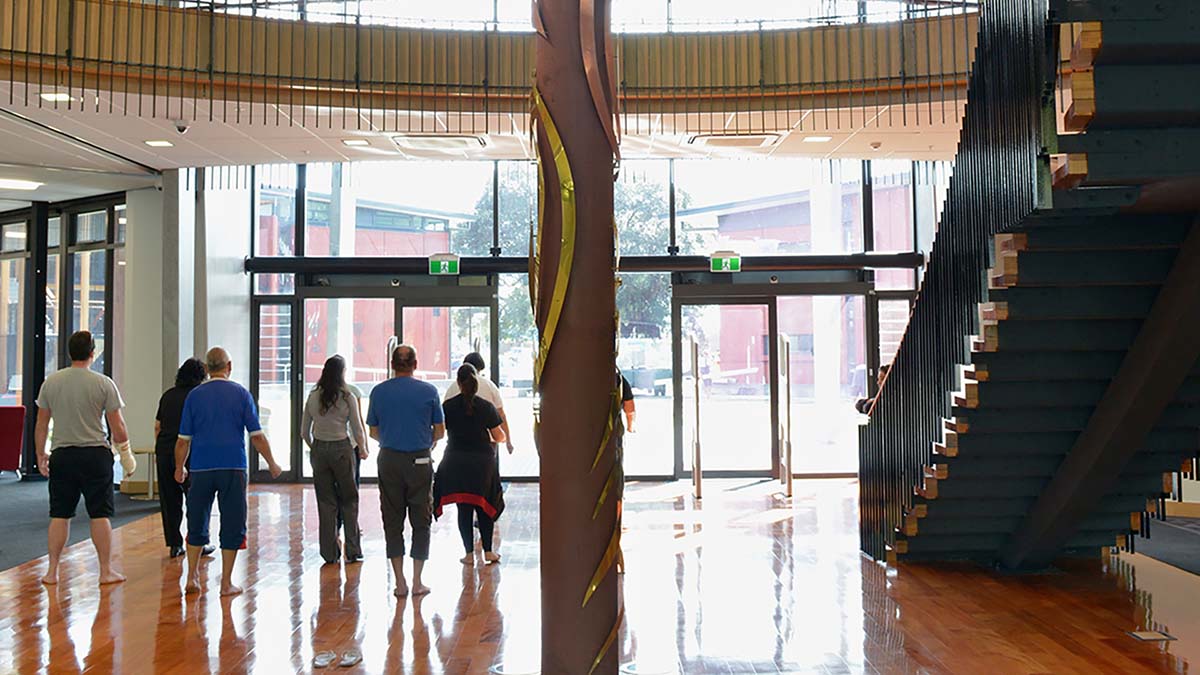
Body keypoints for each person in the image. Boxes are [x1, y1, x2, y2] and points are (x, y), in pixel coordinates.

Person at [175, 347, 282, 596]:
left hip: (201, 468)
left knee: (196, 520)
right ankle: (226, 583)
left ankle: (191, 578)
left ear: (207, 368)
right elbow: (257, 437)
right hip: (233, 467)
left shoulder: (194, 396)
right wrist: (272, 463)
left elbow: (183, 441)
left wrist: (179, 467)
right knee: (233, 523)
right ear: (229, 366)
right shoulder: (241, 394)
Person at [35, 330, 134, 586]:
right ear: (93, 353)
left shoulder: (51, 382)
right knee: (99, 514)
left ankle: (52, 571)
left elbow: (41, 424)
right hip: (95, 455)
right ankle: (105, 571)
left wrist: (40, 453)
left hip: (63, 455)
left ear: (70, 353)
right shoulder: (103, 383)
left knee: (60, 514)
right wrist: (127, 456)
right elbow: (118, 425)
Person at [367, 345, 444, 597]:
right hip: (420, 460)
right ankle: (418, 580)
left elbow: (373, 431)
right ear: (415, 363)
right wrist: (426, 442)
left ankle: (399, 581)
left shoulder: (378, 392)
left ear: (392, 364)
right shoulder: (429, 391)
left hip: (388, 459)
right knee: (421, 519)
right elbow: (440, 431)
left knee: (392, 518)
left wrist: (391, 441)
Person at [434, 364, 507, 566]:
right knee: (485, 506)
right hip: (482, 463)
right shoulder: (485, 406)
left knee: (463, 508)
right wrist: (501, 440)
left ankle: (468, 553)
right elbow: (498, 435)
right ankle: (489, 551)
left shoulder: (448, 406)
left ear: (458, 383)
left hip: (455, 461)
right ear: (476, 381)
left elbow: (438, 433)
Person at [302, 355, 369, 565]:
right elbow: (357, 428)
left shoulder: (313, 396)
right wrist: (363, 449)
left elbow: (304, 431)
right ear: (342, 372)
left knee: (326, 502)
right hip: (342, 448)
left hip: (320, 449)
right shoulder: (346, 395)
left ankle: (329, 553)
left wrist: (315, 447)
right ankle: (353, 549)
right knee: (349, 500)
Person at [154, 358, 215, 559]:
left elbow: (158, 427)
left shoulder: (167, 396)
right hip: (191, 452)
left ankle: (174, 544)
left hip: (164, 451)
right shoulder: (199, 396)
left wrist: (162, 448)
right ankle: (198, 541)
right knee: (196, 499)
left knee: (169, 499)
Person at [442, 352, 513, 455]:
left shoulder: (451, 390)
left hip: (456, 449)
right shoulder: (489, 387)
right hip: (485, 449)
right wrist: (507, 440)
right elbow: (501, 414)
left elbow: (442, 422)